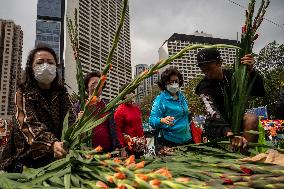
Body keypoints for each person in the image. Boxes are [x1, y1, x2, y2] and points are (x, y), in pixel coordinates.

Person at [0, 45, 76, 172]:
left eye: (50, 62)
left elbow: (70, 120)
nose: (46, 66)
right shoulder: (22, 93)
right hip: (26, 160)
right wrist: (52, 144)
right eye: (40, 62)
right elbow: (28, 125)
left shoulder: (62, 93)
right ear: (31, 68)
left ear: (56, 68)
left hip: (56, 158)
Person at [195, 48, 265, 150]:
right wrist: (228, 132)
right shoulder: (204, 86)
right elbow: (212, 111)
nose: (207, 73)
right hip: (217, 125)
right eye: (204, 70)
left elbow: (259, 92)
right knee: (227, 150)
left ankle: (247, 156)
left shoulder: (233, 75)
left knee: (251, 119)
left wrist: (251, 71)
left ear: (220, 63)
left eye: (209, 68)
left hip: (236, 118)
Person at [73, 71, 119, 152]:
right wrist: (79, 121)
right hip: (86, 152)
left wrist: (117, 146)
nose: (97, 86)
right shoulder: (79, 106)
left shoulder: (107, 105)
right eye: (93, 83)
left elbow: (113, 128)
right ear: (87, 87)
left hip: (107, 152)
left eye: (99, 83)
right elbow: (73, 130)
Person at [149, 67, 192, 147]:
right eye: (171, 82)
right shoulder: (160, 99)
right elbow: (152, 120)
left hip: (187, 139)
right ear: (165, 83)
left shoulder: (182, 97)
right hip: (170, 141)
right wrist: (162, 120)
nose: (174, 84)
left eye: (176, 81)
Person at [114, 84, 146, 158]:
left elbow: (140, 127)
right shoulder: (119, 111)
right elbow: (117, 131)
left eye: (132, 92)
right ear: (123, 95)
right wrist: (122, 149)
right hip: (128, 147)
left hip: (139, 145)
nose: (131, 94)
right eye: (128, 92)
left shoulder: (136, 108)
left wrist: (144, 142)